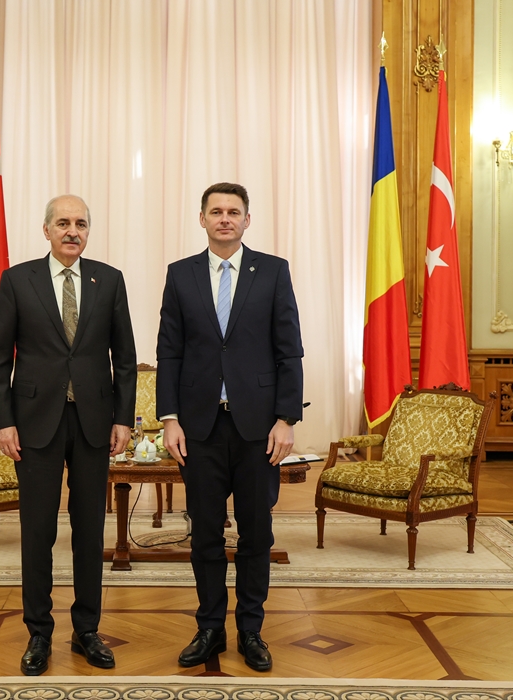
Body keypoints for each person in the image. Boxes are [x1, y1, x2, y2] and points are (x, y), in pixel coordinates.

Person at [0, 194, 137, 676]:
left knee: (90, 531)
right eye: (64, 223)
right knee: (38, 531)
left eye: (81, 224)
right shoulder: (17, 280)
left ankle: (87, 630)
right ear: (47, 229)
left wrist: (123, 418)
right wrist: (3, 421)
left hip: (94, 422)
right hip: (34, 423)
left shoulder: (109, 280)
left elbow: (125, 359)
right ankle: (39, 633)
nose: (73, 231)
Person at [156, 182, 304, 672]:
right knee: (205, 535)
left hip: (259, 430)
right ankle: (209, 628)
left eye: (233, 212)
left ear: (246, 220)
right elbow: (169, 352)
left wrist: (286, 419)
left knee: (256, 534)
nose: (225, 219)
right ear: (202, 219)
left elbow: (289, 351)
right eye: (216, 211)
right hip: (198, 428)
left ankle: (252, 631)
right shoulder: (180, 274)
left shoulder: (274, 271)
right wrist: (170, 418)